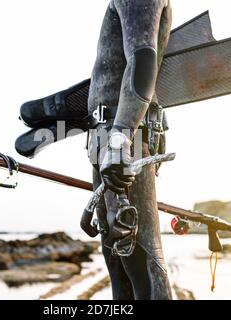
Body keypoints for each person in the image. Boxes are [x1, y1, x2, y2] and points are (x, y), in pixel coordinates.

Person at [87, 0, 173, 300]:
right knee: (119, 260)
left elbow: (143, 59)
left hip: (122, 140)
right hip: (106, 139)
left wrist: (120, 140)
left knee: (142, 259)